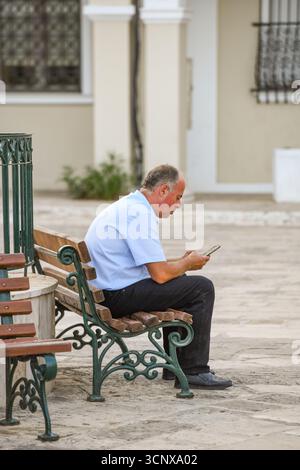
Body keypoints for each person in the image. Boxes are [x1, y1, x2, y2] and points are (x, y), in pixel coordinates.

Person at [85, 164, 232, 389]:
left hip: (106, 291)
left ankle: (175, 366)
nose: (178, 205)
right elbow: (161, 275)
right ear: (163, 190)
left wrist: (183, 265)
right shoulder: (139, 215)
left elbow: (153, 267)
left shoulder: (129, 206)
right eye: (178, 197)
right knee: (201, 288)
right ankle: (193, 370)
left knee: (184, 284)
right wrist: (185, 264)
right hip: (116, 296)